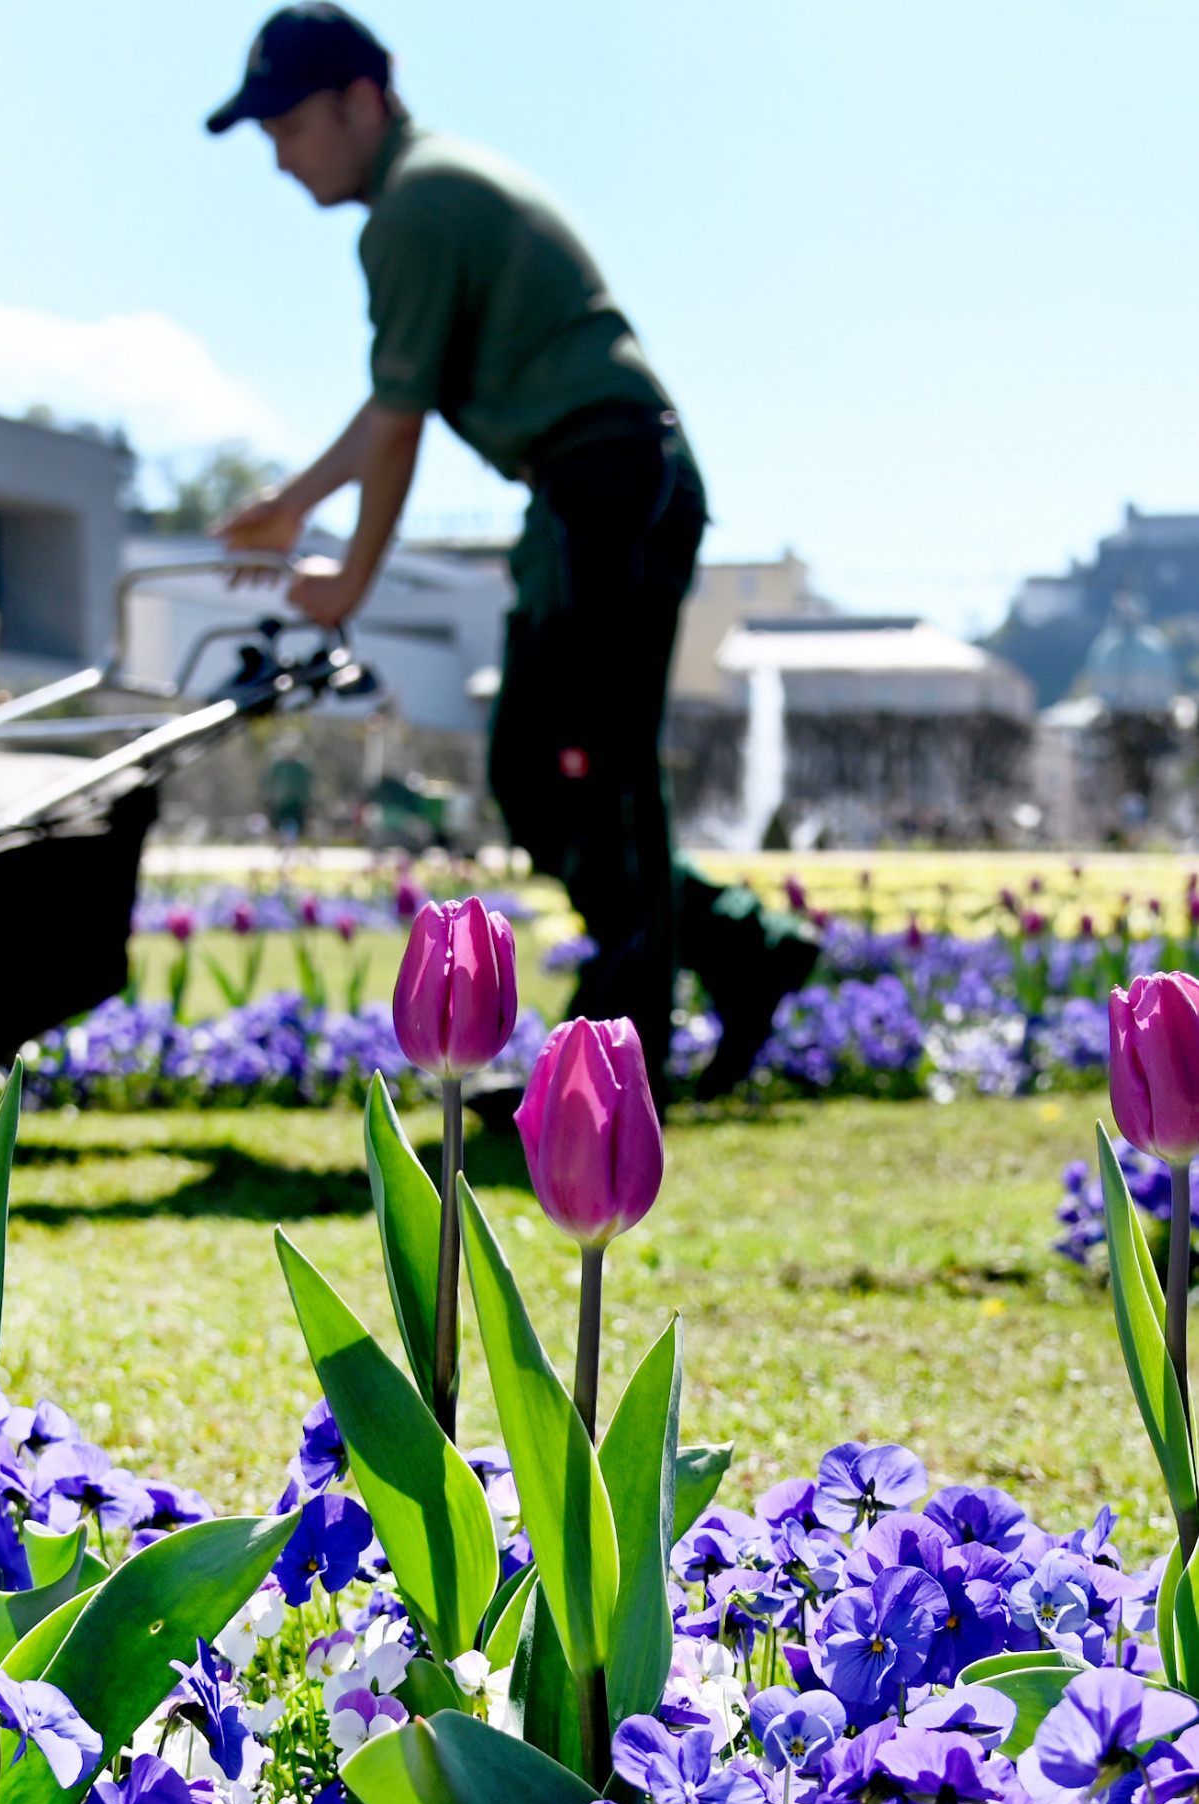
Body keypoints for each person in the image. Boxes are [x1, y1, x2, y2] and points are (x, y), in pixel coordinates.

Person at [205, 5, 815, 1096]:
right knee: (538, 764)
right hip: (576, 485)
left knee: (595, 767)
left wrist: (342, 572)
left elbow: (396, 424)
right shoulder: (423, 195)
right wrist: (295, 508)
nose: (280, 160)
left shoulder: (415, 204)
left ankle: (617, 1053)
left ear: (361, 98)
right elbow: (399, 403)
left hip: (609, 476)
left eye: (289, 126)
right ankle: (739, 950)